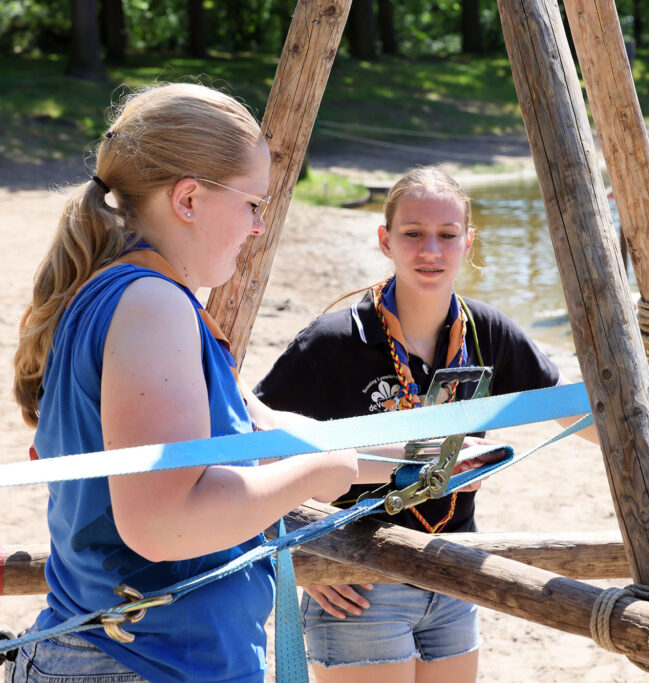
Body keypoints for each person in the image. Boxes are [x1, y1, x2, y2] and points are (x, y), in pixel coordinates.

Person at [9, 83, 396, 682]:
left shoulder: (140, 298)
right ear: (188, 198)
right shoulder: (152, 306)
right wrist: (329, 472)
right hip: (139, 667)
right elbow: (164, 522)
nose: (260, 227)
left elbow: (262, 428)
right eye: (252, 205)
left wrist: (413, 455)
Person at [255, 167, 649, 682]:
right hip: (360, 582)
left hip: (457, 567)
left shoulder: (489, 331)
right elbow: (249, 445)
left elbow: (568, 408)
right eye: (413, 234)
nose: (430, 251)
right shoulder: (332, 341)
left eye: (447, 235)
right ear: (385, 240)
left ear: (468, 242)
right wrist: (299, 548)